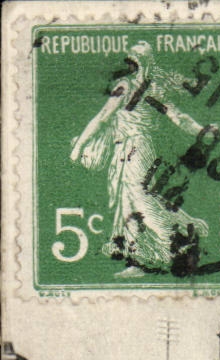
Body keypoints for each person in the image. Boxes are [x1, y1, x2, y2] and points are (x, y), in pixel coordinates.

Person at [68, 40, 211, 276]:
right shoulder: (148, 89)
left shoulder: (134, 88)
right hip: (131, 148)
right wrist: (201, 131)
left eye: (135, 62)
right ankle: (144, 254)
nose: (133, 66)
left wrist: (79, 146)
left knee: (137, 196)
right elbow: (179, 118)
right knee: (130, 198)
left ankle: (168, 243)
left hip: (134, 148)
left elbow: (102, 117)